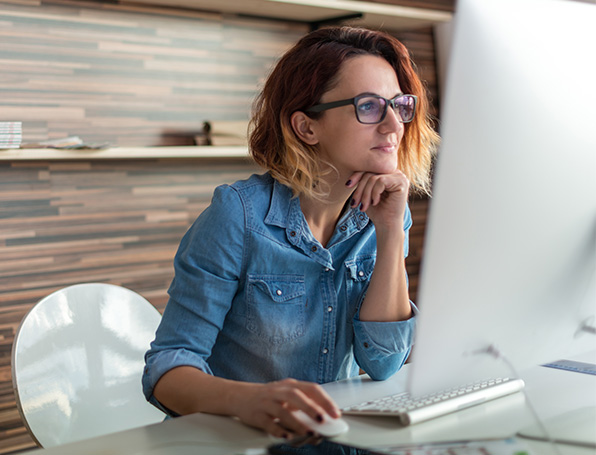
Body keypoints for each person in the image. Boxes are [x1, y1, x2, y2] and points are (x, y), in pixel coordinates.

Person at [142, 25, 439, 440]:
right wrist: (247, 401)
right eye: (369, 107)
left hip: (336, 442)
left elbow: (384, 364)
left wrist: (390, 232)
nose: (394, 125)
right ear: (306, 127)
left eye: (398, 105)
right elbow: (167, 368)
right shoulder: (239, 216)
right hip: (236, 445)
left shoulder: (385, 215)